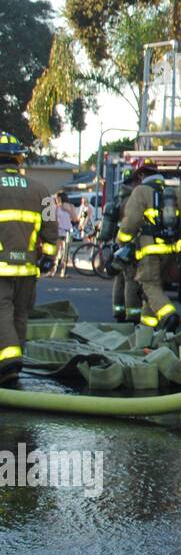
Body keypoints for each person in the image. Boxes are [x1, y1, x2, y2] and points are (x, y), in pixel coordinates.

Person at [0, 133, 59, 383]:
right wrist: (48, 257)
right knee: (20, 315)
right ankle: (15, 362)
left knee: (1, 312)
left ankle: (9, 362)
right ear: (18, 158)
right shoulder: (41, 190)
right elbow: (51, 229)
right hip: (28, 268)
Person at [113, 161, 181, 332]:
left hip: (149, 251)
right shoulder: (174, 193)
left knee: (148, 284)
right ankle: (147, 330)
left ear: (141, 176)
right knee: (153, 290)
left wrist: (121, 241)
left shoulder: (140, 192)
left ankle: (169, 315)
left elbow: (130, 223)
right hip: (169, 251)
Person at [100, 169, 142, 322]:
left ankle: (119, 311)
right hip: (128, 245)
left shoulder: (119, 197)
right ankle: (133, 314)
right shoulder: (132, 199)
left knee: (119, 279)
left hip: (117, 245)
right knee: (130, 278)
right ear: (134, 182)